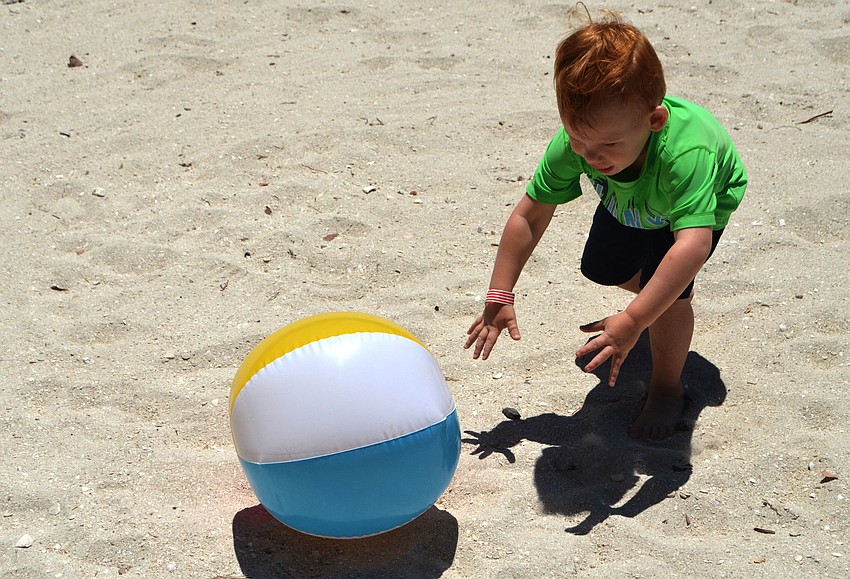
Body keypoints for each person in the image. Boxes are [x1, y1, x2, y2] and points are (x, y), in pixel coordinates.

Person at [464, 10, 747, 440]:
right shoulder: (578, 144)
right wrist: (499, 291)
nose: (590, 156)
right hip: (632, 200)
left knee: (669, 297)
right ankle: (664, 296)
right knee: (602, 268)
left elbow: (692, 245)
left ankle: (668, 387)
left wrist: (635, 318)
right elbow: (529, 214)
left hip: (689, 207)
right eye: (578, 140)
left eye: (608, 144)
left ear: (654, 121)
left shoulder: (687, 156)